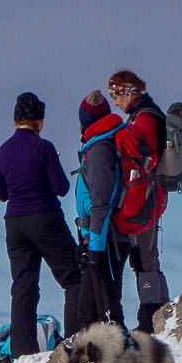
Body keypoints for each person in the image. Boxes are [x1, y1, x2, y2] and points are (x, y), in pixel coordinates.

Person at [0, 91, 83, 358]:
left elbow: (1, 193)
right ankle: (74, 343)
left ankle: (23, 352)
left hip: (14, 222)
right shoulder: (43, 148)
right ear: (39, 121)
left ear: (15, 119)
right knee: (74, 276)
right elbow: (62, 188)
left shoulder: (3, 150)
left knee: (23, 284)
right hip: (44, 216)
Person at [106, 70, 171, 331]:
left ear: (128, 91)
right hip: (149, 195)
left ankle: (150, 316)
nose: (114, 101)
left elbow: (144, 156)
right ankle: (159, 310)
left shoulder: (144, 118)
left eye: (116, 94)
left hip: (144, 196)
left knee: (143, 257)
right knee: (146, 256)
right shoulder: (147, 114)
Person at [72, 90, 128, 334]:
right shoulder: (104, 144)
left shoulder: (99, 151)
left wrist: (94, 248)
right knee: (94, 309)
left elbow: (101, 204)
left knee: (100, 310)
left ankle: (115, 361)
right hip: (104, 237)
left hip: (105, 240)